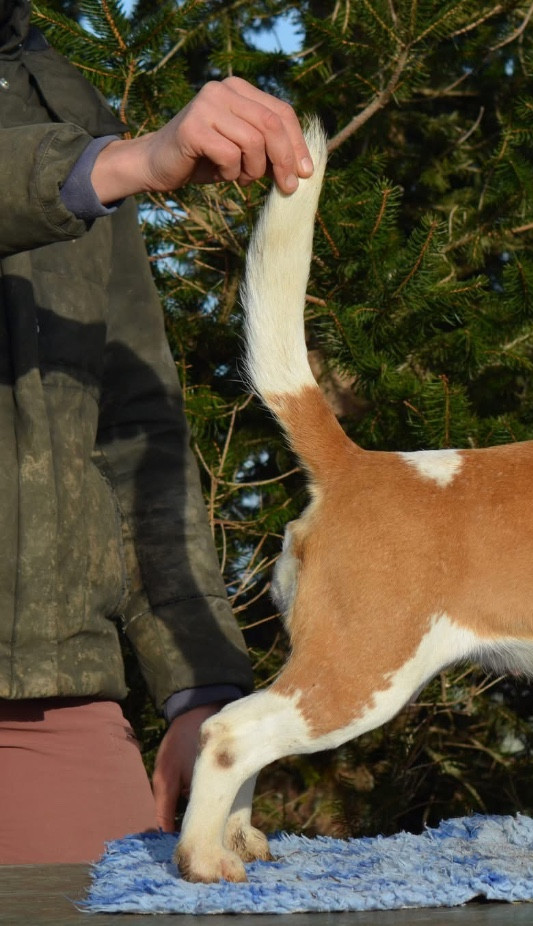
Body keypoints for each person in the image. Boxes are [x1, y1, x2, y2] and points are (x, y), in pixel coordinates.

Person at [0, 0, 312, 864]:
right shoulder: (96, 147)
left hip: (48, 696)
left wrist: (199, 686)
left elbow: (136, 427)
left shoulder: (68, 103)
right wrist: (121, 163)